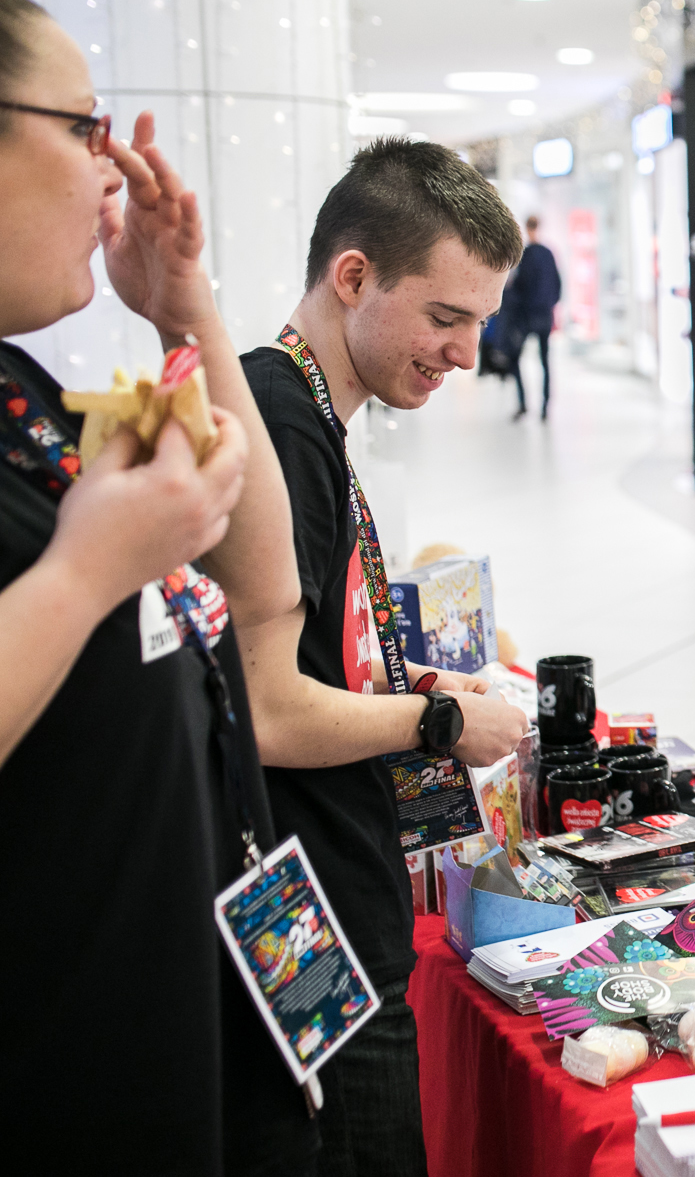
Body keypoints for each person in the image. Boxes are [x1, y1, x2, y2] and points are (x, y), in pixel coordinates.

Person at [0, 0, 318, 1172]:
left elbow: (266, 585)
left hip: (185, 1037)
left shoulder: (25, 396)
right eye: (82, 127)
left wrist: (185, 308)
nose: (111, 169)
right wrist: (88, 570)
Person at [238, 137, 529, 1177]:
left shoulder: (310, 415)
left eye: (480, 323)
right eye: (445, 317)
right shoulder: (282, 428)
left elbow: (307, 654)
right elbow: (265, 708)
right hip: (308, 916)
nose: (465, 354)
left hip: (338, 890)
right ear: (353, 276)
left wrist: (411, 682)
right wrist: (439, 721)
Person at [503, 214, 560, 420]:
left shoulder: (525, 255)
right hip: (544, 316)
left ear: (527, 228)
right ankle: (545, 407)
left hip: (527, 318)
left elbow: (518, 288)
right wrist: (549, 306)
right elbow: (557, 285)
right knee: (544, 362)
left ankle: (523, 404)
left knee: (515, 358)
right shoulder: (548, 254)